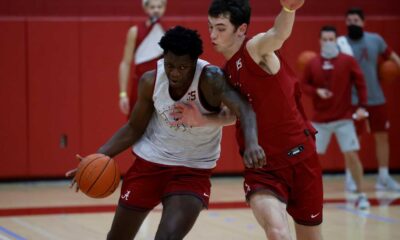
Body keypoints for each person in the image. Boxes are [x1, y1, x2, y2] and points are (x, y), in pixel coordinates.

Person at [66, 26, 265, 240]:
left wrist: (252, 143)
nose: (175, 73)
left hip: (192, 169)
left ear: (195, 62)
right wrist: (99, 157)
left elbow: (244, 108)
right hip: (149, 164)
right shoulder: (150, 81)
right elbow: (134, 127)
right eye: (170, 65)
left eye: (183, 67)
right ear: (163, 59)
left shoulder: (211, 79)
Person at [205, 0, 323, 239]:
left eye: (220, 28)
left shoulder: (255, 48)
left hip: (301, 157)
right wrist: (198, 118)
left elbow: (278, 34)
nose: (212, 34)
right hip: (263, 167)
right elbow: (232, 115)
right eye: (210, 27)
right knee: (277, 232)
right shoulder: (226, 73)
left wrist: (288, 9)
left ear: (241, 29)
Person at [301, 25, 370, 209]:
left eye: (331, 39)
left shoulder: (348, 61)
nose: (328, 42)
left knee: (352, 155)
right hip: (320, 120)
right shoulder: (313, 62)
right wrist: (317, 91)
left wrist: (363, 106)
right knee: (310, 158)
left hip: (343, 118)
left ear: (336, 40)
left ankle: (361, 194)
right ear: (320, 41)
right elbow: (303, 85)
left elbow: (361, 83)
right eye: (325, 39)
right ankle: (307, 194)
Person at [337, 8, 400, 191]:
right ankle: (351, 177)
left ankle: (384, 177)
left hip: (376, 98)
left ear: (363, 22)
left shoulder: (376, 40)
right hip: (353, 101)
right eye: (349, 20)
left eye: (356, 19)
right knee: (351, 140)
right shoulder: (341, 44)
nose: (352, 22)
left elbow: (392, 56)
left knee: (382, 137)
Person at [118, 0, 167, 116]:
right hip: (140, 86)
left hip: (161, 86)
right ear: (145, 8)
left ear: (164, 8)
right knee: (136, 126)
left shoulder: (168, 32)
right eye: (152, 7)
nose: (156, 10)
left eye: (159, 7)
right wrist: (123, 94)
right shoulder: (135, 31)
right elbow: (125, 63)